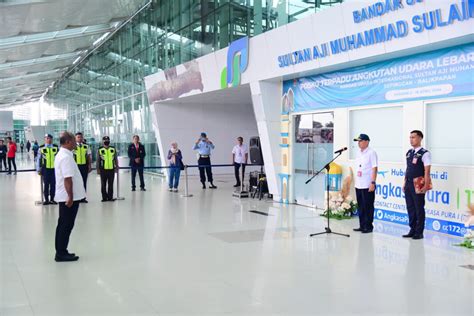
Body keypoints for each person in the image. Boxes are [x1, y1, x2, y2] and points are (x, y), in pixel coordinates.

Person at [54, 131, 85, 262]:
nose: (76, 143)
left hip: (65, 196)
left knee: (63, 224)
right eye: (73, 140)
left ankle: (61, 251)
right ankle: (61, 253)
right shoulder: (65, 157)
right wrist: (71, 197)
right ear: (67, 142)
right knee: (66, 225)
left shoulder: (64, 154)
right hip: (68, 198)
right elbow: (67, 179)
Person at [403, 130, 432, 240]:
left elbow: (427, 172)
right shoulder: (409, 153)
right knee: (410, 207)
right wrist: (404, 182)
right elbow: (408, 169)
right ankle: (412, 229)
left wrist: (426, 185)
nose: (411, 139)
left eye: (413, 137)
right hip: (408, 183)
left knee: (419, 207)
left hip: (419, 182)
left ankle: (419, 232)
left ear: (420, 138)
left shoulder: (425, 153)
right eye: (410, 137)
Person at [352, 134, 378, 234]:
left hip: (367, 184)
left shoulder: (372, 153)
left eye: (360, 141)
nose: (358, 143)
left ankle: (368, 226)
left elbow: (374, 168)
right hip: (358, 183)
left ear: (367, 141)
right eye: (358, 141)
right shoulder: (358, 152)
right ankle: (362, 225)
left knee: (368, 206)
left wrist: (373, 182)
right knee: (361, 206)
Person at [37, 134, 59, 205]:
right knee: (46, 184)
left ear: (52, 139)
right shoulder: (41, 148)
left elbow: (59, 158)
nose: (48, 140)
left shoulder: (56, 147)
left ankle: (52, 199)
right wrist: (38, 169)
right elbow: (38, 159)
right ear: (45, 139)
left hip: (54, 169)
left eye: (50, 138)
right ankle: (46, 200)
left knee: (53, 184)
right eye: (47, 138)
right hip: (45, 169)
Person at [97, 136, 118, 202]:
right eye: (105, 140)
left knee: (111, 184)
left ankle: (110, 197)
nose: (106, 141)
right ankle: (104, 198)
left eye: (107, 140)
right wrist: (98, 169)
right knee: (103, 184)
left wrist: (116, 167)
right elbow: (98, 160)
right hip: (103, 169)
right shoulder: (100, 149)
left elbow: (115, 158)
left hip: (111, 169)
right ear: (102, 141)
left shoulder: (113, 149)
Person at [73, 132, 92, 203]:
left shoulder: (86, 146)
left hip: (84, 166)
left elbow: (89, 156)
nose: (80, 138)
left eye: (81, 137)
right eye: (78, 137)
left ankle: (83, 197)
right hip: (76, 167)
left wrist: (89, 166)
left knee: (84, 181)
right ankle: (77, 198)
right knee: (76, 182)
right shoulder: (73, 146)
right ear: (75, 138)